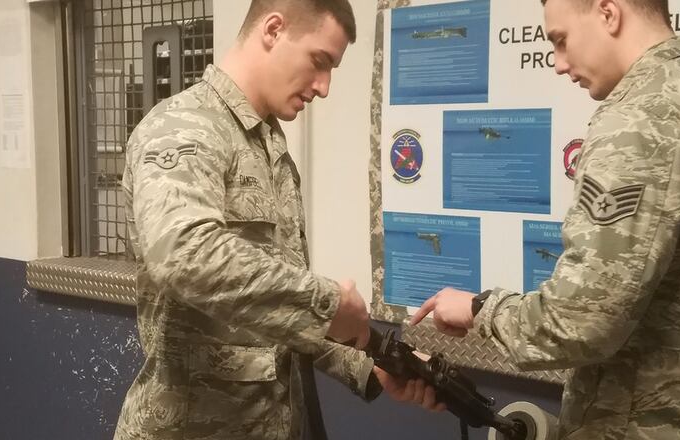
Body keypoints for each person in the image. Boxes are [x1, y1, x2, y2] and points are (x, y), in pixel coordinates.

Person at [114, 1, 441, 439]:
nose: (324, 87)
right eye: (319, 62)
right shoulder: (184, 126)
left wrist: (370, 363)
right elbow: (181, 253)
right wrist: (328, 304)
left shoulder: (268, 143)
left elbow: (267, 310)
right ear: (273, 29)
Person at [410, 0, 680, 438]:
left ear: (608, 13)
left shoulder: (640, 118)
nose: (557, 63)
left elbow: (582, 320)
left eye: (560, 40)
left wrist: (479, 310)